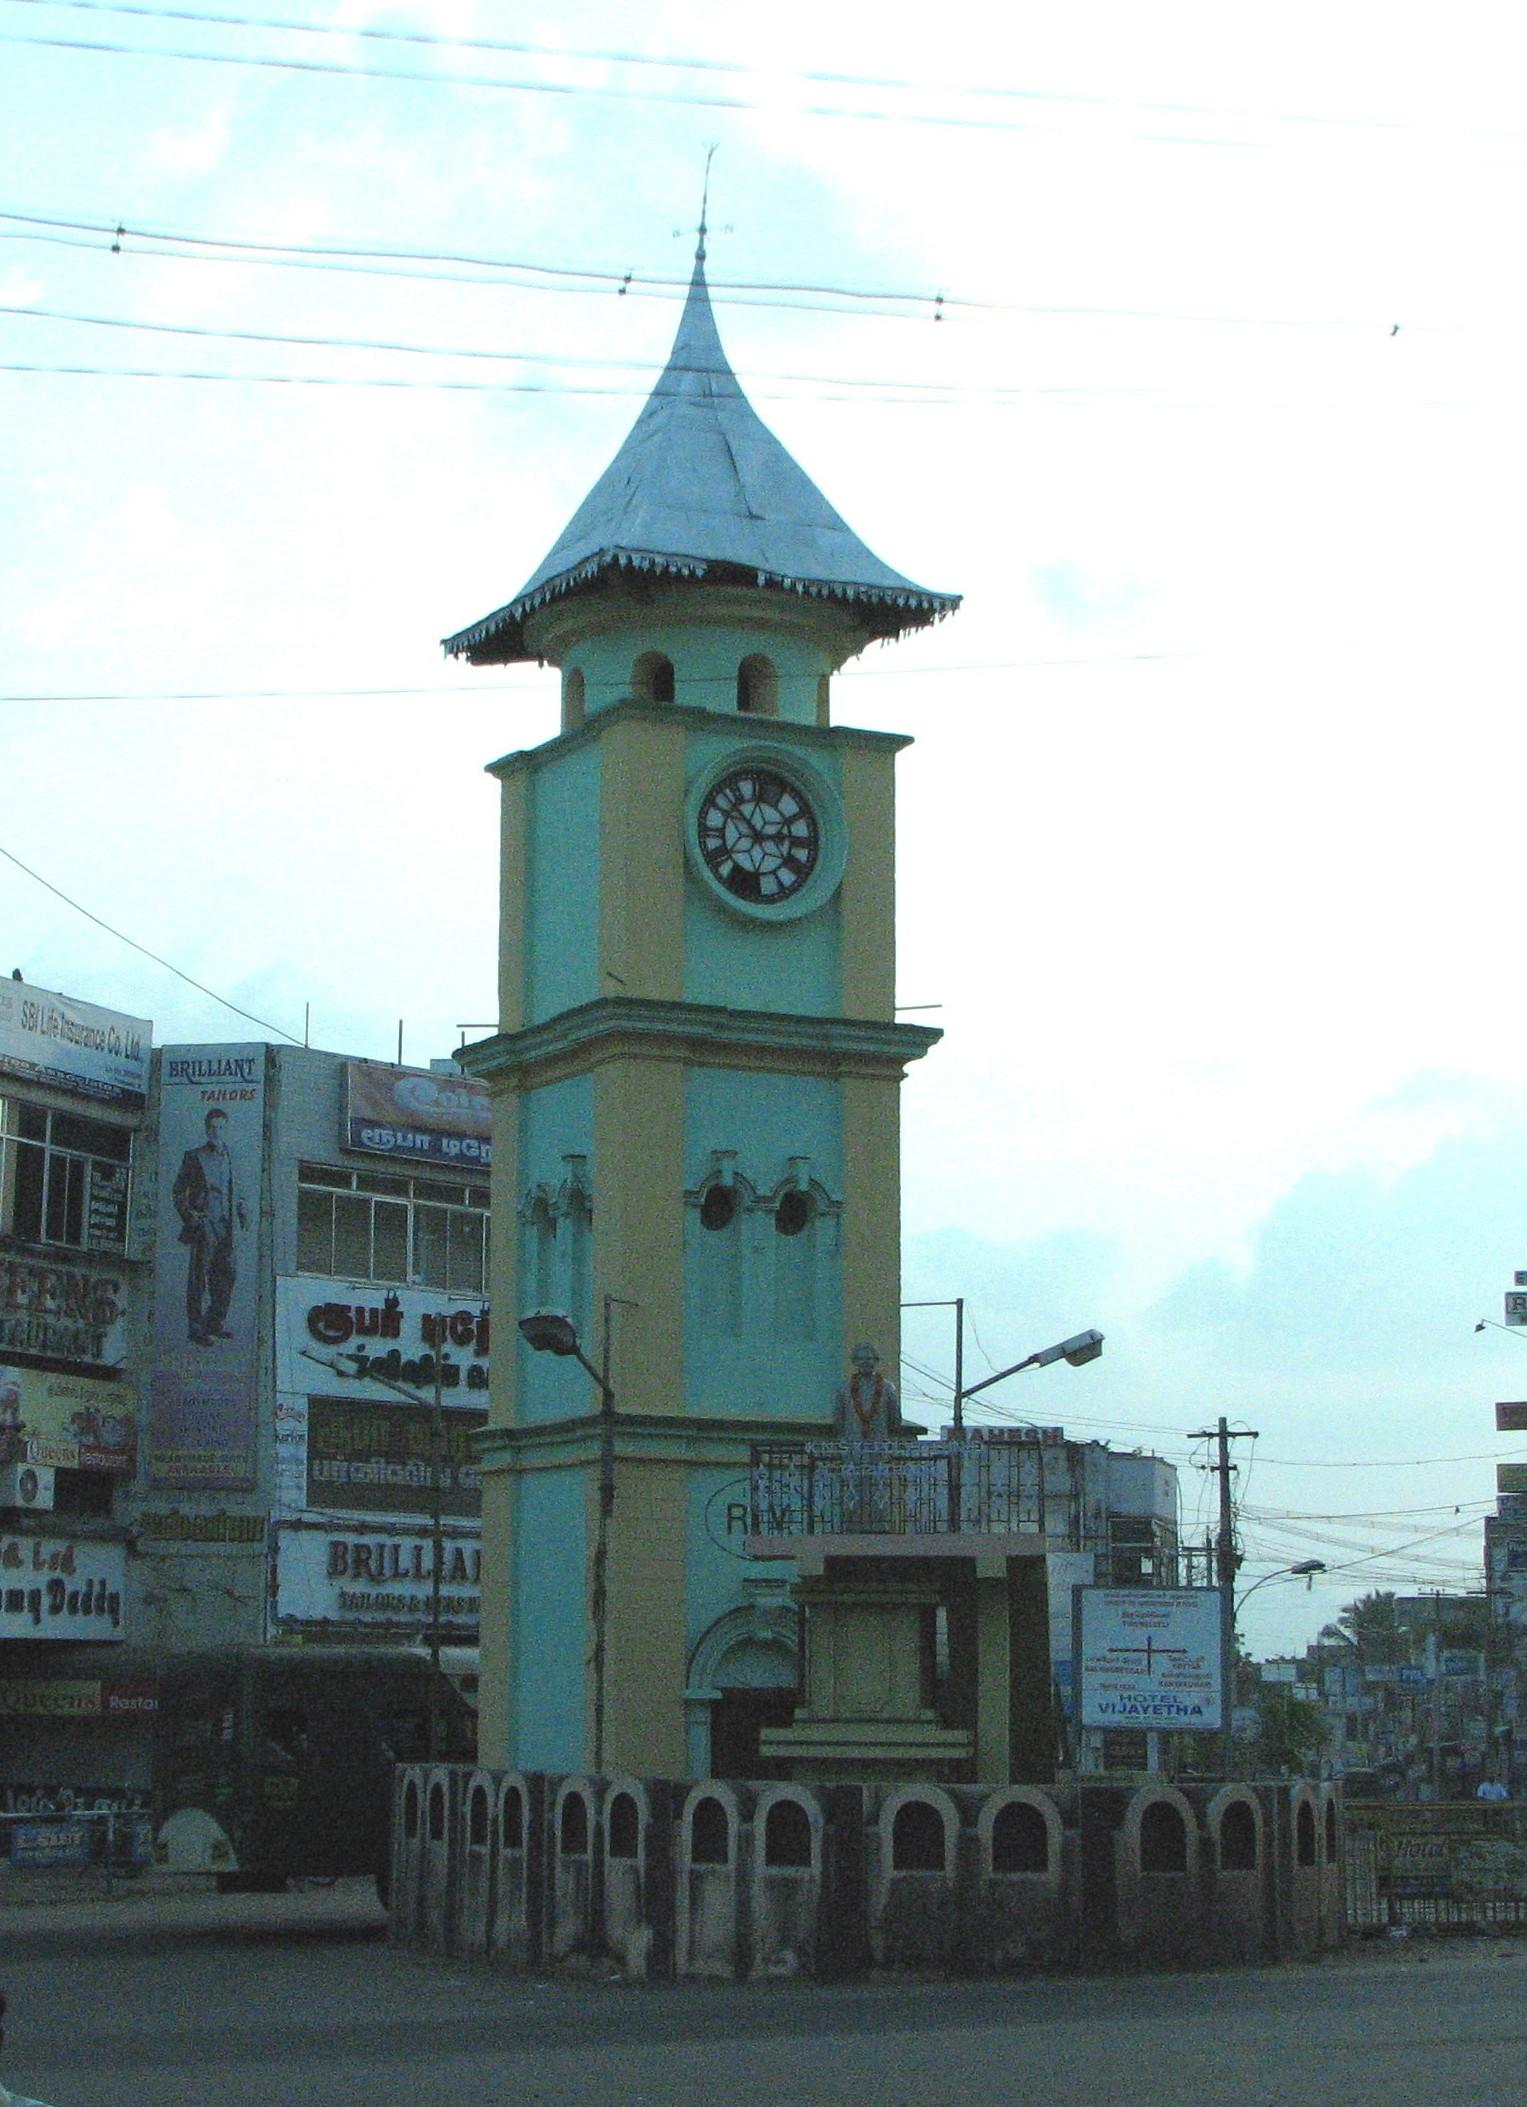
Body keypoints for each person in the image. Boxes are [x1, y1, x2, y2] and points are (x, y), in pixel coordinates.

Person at [172, 1107, 248, 1346]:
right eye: (213, 1128)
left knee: (227, 1274)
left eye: (221, 1128)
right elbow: (178, 1191)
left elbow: (238, 1190)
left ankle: (215, 1323)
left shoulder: (232, 1155)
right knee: (199, 1278)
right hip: (206, 1224)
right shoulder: (194, 1156)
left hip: (228, 1226)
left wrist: (243, 1211)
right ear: (207, 1129)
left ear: (226, 1130)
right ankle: (196, 1329)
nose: (217, 1132)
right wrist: (191, 1216)